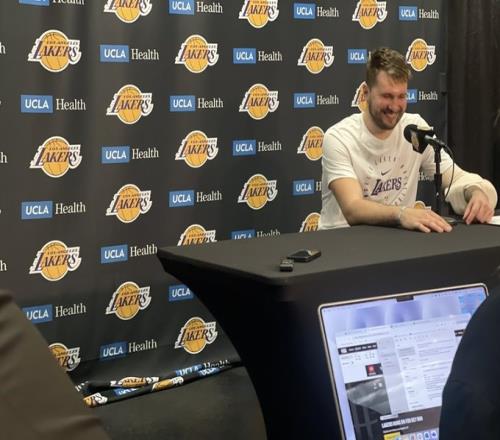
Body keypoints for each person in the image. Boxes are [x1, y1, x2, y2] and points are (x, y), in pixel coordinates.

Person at [319, 47, 497, 232]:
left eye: (401, 96)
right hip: (342, 240)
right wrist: (402, 213)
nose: (395, 106)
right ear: (365, 92)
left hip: (398, 242)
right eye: (387, 96)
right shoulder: (339, 138)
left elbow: (455, 178)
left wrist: (475, 192)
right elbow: (353, 208)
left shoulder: (414, 130)